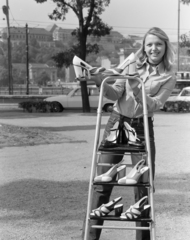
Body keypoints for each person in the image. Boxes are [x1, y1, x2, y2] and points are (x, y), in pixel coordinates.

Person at [82, 27, 176, 240]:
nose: (154, 48)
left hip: (142, 126)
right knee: (102, 182)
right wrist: (99, 80)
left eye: (159, 44)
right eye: (150, 44)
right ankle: (90, 238)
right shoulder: (132, 64)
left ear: (165, 47)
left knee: (142, 186)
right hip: (117, 122)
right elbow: (114, 93)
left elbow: (155, 105)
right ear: (144, 46)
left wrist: (136, 85)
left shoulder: (168, 76)